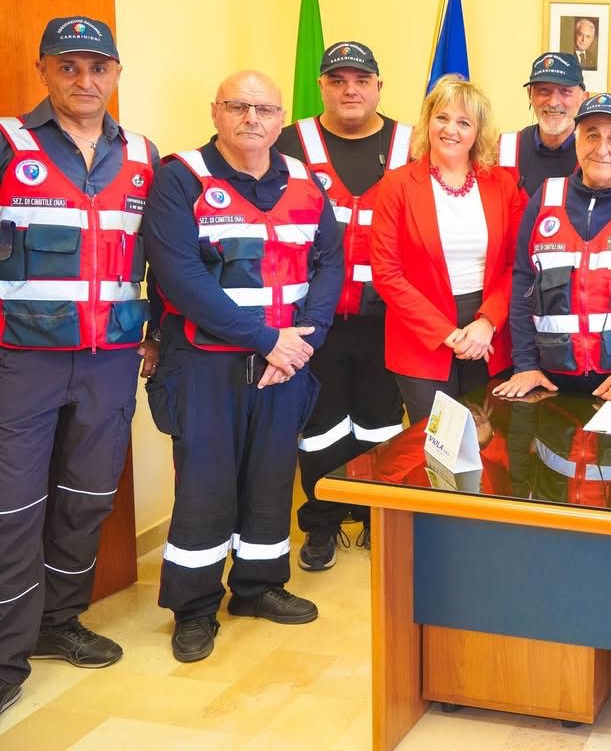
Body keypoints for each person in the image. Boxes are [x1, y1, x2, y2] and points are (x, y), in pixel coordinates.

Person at [142, 70, 342, 663]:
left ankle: (258, 587)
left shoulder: (306, 181)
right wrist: (267, 340)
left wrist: (304, 342)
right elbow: (181, 275)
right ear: (216, 112)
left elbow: (329, 263)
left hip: (286, 362)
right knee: (205, 485)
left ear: (283, 119)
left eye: (265, 108)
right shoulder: (181, 178)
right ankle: (194, 608)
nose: (252, 118)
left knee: (270, 477)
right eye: (238, 106)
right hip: (205, 364)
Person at [0, 18, 158, 717]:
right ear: (44, 72)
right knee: (13, 509)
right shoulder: (10, 143)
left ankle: (58, 622)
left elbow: (164, 257)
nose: (84, 81)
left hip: (111, 359)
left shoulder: (146, 156)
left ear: (117, 74)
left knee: (87, 498)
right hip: (22, 360)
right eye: (69, 67)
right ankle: (5, 658)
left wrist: (160, 337)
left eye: (98, 67)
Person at [275, 40, 412, 571]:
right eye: (337, 80)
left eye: (361, 79)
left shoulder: (412, 143)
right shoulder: (289, 143)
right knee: (322, 424)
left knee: (382, 422)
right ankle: (323, 521)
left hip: (389, 318)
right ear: (321, 87)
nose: (350, 89)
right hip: (315, 319)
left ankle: (378, 515)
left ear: (379, 85)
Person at [495, 93, 611, 401]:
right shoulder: (544, 200)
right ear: (577, 140)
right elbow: (522, 285)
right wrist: (526, 363)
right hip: (553, 386)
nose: (602, 149)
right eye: (592, 135)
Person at [369, 75, 527, 423]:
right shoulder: (397, 185)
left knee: (488, 442)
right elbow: (386, 273)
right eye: (442, 117)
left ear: (477, 132)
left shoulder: (502, 183)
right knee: (440, 446)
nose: (450, 129)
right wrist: (448, 334)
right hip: (420, 336)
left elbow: (518, 265)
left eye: (463, 122)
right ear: (428, 121)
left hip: (487, 333)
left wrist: (487, 322)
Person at [497, 53, 589, 195]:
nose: (553, 102)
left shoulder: (596, 156)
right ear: (529, 95)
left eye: (565, 91)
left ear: (584, 98)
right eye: (543, 90)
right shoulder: (502, 150)